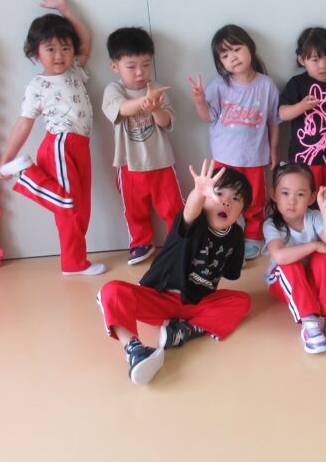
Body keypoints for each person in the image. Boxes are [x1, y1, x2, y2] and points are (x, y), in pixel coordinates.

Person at [95, 161, 252, 385]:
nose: (226, 201)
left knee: (242, 301)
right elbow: (190, 210)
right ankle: (135, 350)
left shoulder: (235, 236)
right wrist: (199, 192)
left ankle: (182, 332)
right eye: (218, 194)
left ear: (241, 211)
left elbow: (231, 272)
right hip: (160, 298)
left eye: (236, 199)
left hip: (195, 304)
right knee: (112, 291)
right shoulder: (193, 220)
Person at [0, 0, 105, 276]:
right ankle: (26, 173)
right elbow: (24, 123)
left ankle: (73, 263)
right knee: (68, 204)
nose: (60, 55)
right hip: (60, 145)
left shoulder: (75, 70)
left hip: (81, 146)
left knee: (80, 209)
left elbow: (86, 39)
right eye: (51, 49)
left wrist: (64, 8)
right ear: (36, 53)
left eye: (65, 48)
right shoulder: (38, 85)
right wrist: (7, 158)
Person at [188, 24, 280, 261]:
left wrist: (273, 149)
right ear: (220, 62)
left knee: (255, 200)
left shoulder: (266, 85)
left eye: (237, 49)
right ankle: (220, 234)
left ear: (250, 48)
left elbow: (273, 121)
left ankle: (253, 236)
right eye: (225, 55)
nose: (233, 58)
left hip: (255, 157)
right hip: (225, 157)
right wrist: (199, 101)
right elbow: (208, 117)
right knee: (221, 199)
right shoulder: (219, 85)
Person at [102, 27, 184, 265]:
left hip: (161, 161)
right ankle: (141, 243)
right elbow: (121, 109)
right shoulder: (114, 90)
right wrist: (146, 101)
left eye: (146, 65)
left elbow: (166, 122)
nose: (140, 72)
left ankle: (178, 242)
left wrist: (155, 108)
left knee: (173, 207)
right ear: (115, 66)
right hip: (128, 164)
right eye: (131, 66)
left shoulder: (157, 90)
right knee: (134, 209)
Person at [278, 27, 326, 253]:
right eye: (315, 60)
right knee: (303, 196)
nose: (322, 65)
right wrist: (301, 106)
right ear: (302, 60)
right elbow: (282, 113)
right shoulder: (297, 84)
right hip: (304, 160)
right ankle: (302, 233)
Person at [263, 163, 326, 354]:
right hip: (283, 281)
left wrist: (325, 208)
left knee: (324, 257)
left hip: (311, 280)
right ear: (274, 195)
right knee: (290, 264)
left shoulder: (314, 216)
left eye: (300, 194)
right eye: (285, 193)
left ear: (311, 197)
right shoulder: (272, 224)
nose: (292, 201)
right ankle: (309, 321)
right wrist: (315, 245)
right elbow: (279, 256)